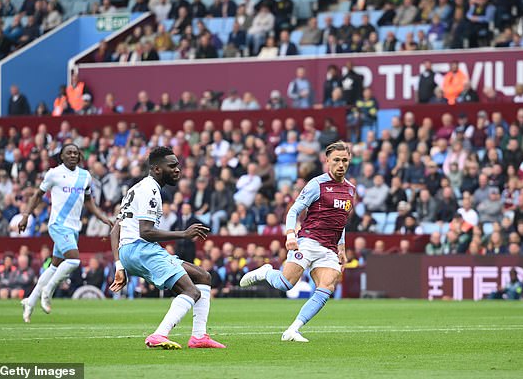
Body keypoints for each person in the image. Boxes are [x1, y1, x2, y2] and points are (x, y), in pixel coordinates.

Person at [109, 146, 225, 349]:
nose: (177, 170)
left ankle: (199, 336)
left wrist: (120, 266)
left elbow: (114, 232)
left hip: (130, 251)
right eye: (172, 166)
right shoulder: (150, 190)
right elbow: (145, 231)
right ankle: (159, 335)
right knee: (191, 291)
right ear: (156, 169)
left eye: (178, 165)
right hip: (141, 249)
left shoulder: (135, 189)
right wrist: (184, 234)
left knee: (202, 276)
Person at [240, 141, 355, 342]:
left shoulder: (351, 190)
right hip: (308, 240)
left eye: (345, 160)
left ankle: (293, 330)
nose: (341, 164)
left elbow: (341, 220)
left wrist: (342, 248)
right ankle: (266, 271)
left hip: (329, 248)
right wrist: (291, 235)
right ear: (327, 161)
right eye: (336, 160)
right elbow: (294, 210)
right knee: (286, 284)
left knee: (327, 287)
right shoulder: (316, 184)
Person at [19, 143, 112, 322]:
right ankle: (48, 291)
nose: (73, 155)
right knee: (74, 260)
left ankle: (30, 302)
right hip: (58, 224)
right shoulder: (53, 173)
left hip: (73, 227)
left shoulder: (85, 176)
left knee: (54, 266)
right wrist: (25, 215)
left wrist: (103, 218)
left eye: (76, 153)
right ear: (61, 156)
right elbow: (37, 195)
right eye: (69, 153)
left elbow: (89, 201)